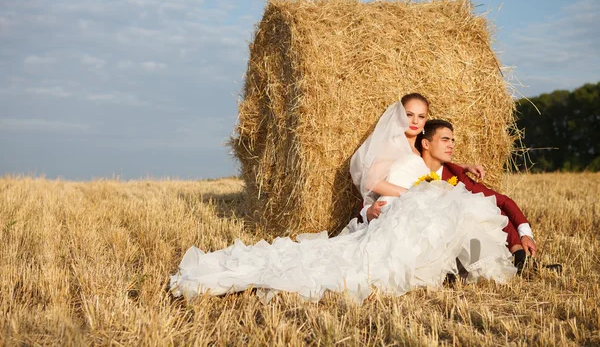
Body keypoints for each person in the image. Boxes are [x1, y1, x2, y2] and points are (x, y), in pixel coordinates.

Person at [170, 97, 516, 304]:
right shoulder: (394, 149)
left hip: (410, 206)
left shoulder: (423, 149)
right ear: (398, 116)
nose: (414, 122)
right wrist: (401, 198)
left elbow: (439, 163)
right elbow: (374, 184)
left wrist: (461, 167)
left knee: (458, 212)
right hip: (384, 210)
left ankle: (475, 264)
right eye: (409, 115)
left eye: (421, 117)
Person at [415, 119, 535, 271]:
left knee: (489, 207)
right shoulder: (408, 168)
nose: (451, 145)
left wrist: (525, 234)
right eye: (445, 140)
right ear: (426, 144)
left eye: (452, 140)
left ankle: (520, 257)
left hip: (454, 237)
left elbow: (502, 201)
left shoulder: (455, 173)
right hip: (421, 239)